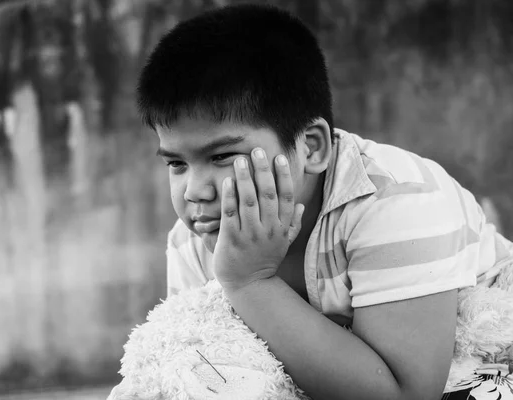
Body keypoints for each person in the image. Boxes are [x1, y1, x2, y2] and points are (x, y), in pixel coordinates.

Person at [136, 4, 513, 399]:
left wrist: (249, 282)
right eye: (176, 163)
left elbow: (409, 394)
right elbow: (207, 368)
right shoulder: (194, 239)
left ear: (310, 147)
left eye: (221, 157)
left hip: (484, 366)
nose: (194, 190)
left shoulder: (394, 200)